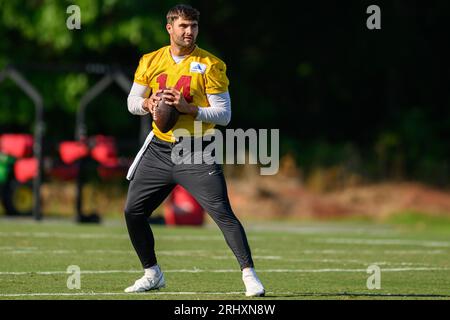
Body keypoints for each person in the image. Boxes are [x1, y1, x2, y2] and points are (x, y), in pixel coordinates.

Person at [124, 4, 265, 297]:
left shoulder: (211, 64)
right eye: (184, 26)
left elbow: (224, 115)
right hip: (160, 149)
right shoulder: (150, 60)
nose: (189, 32)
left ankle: (249, 275)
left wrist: (190, 109)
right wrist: (148, 104)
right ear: (170, 28)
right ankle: (152, 273)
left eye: (194, 27)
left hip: (195, 150)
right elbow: (132, 101)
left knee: (222, 214)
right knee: (133, 212)